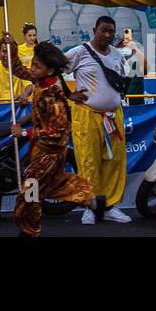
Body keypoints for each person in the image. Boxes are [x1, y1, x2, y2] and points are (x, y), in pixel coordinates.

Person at [4, 33, 94, 236]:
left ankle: (29, 231)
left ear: (50, 70)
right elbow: (18, 69)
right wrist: (11, 48)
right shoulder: (40, 81)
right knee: (52, 186)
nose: (32, 69)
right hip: (40, 151)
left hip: (50, 154)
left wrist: (24, 132)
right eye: (33, 65)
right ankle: (92, 200)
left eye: (37, 66)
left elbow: (56, 132)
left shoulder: (52, 96)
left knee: (30, 193)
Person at [65, 14, 143, 224]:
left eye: (111, 31)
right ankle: (90, 207)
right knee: (89, 161)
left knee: (114, 161)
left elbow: (129, 75)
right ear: (94, 31)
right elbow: (54, 71)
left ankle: (109, 206)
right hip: (87, 116)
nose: (107, 35)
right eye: (103, 30)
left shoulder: (117, 54)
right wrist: (67, 94)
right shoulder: (79, 52)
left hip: (113, 117)